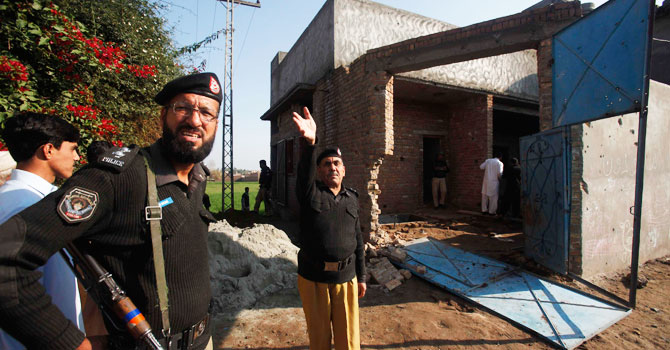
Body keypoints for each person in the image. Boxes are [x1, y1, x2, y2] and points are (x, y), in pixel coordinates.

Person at [0, 72, 221, 350]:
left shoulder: (198, 177)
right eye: (183, 108)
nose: (195, 119)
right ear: (163, 116)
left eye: (206, 112)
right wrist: (70, 344)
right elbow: (6, 258)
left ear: (215, 123)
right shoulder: (118, 178)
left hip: (203, 340)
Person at [0, 112, 83, 350]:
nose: (77, 157)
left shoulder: (22, 198)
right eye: (72, 149)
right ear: (48, 150)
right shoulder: (25, 205)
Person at [291, 106, 366, 350]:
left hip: (346, 279)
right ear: (320, 170)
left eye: (337, 163)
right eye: (326, 164)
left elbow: (358, 240)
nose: (332, 167)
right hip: (314, 281)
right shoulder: (310, 193)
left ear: (344, 170)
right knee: (320, 341)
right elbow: (303, 175)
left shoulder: (352, 198)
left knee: (349, 342)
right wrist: (310, 143)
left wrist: (362, 276)